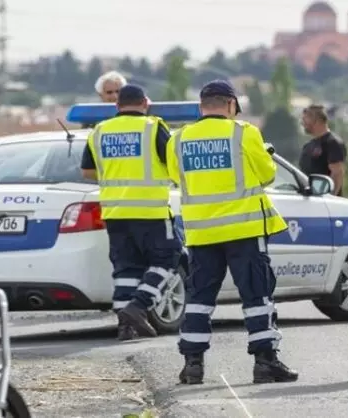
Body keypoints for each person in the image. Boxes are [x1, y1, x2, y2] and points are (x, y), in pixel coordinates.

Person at [166, 80, 298, 385]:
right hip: (244, 230)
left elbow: (176, 177)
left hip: (201, 234)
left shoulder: (179, 138)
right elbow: (266, 174)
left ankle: (192, 365)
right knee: (256, 297)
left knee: (199, 299)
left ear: (202, 106)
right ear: (231, 105)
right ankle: (265, 362)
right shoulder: (244, 132)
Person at [80, 84, 182, 341]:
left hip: (115, 212)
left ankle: (126, 326)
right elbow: (173, 163)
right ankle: (139, 305)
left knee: (126, 269)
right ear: (145, 103)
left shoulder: (99, 131)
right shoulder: (152, 127)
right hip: (151, 211)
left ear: (117, 106)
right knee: (168, 259)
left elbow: (88, 171)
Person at [298, 105, 347, 196]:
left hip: (324, 202)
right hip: (308, 199)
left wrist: (330, 199)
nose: (303, 123)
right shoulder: (307, 146)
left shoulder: (333, 143)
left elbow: (337, 174)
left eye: (306, 119)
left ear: (318, 120)